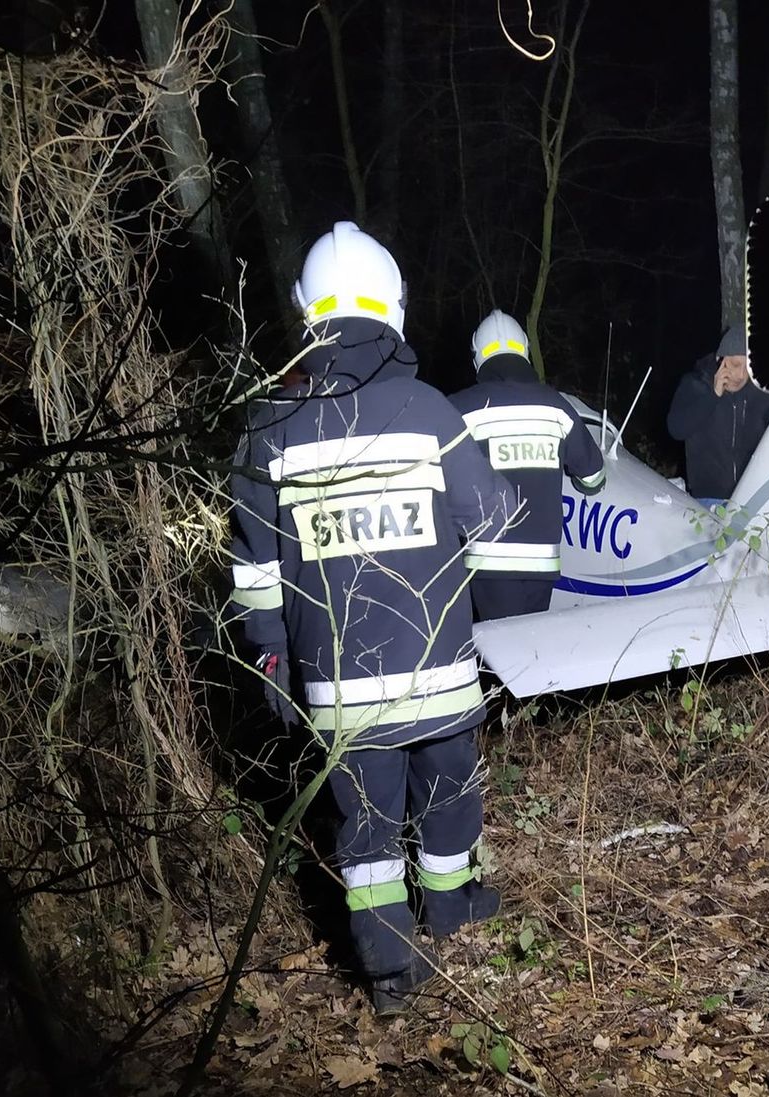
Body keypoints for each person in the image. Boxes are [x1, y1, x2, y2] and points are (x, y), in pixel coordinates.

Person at [227, 222, 515, 1016]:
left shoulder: (268, 430)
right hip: (442, 670)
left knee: (366, 833)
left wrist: (271, 661)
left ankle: (391, 970)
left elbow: (254, 574)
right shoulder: (427, 409)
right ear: (393, 306)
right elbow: (490, 515)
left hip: (344, 695)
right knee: (452, 794)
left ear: (307, 316)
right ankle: (453, 909)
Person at [449, 309, 606, 620]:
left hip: (488, 563)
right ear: (525, 351)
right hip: (542, 564)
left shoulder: (459, 409)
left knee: (500, 658)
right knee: (531, 650)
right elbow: (593, 478)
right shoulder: (557, 406)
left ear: (477, 357)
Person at [665, 325, 769, 507]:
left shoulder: (762, 395)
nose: (740, 375)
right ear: (720, 359)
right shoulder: (696, 385)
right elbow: (676, 429)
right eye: (734, 365)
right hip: (708, 500)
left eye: (747, 367)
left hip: (751, 500)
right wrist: (713, 396)